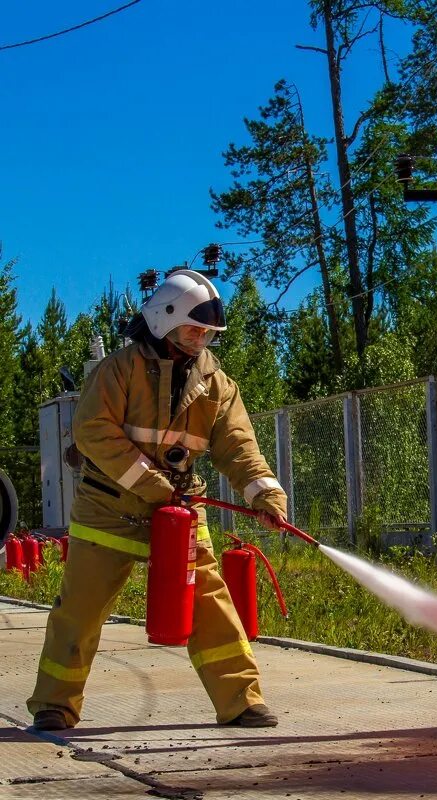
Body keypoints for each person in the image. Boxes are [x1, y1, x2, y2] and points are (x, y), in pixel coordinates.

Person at [27, 269, 289, 731]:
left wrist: (266, 492)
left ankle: (241, 700)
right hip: (108, 509)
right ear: (164, 319)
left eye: (208, 331)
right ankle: (55, 704)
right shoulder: (120, 370)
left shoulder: (217, 385)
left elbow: (239, 447)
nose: (203, 337)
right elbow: (92, 431)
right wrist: (152, 484)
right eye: (195, 327)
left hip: (181, 510)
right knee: (81, 610)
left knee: (210, 603)